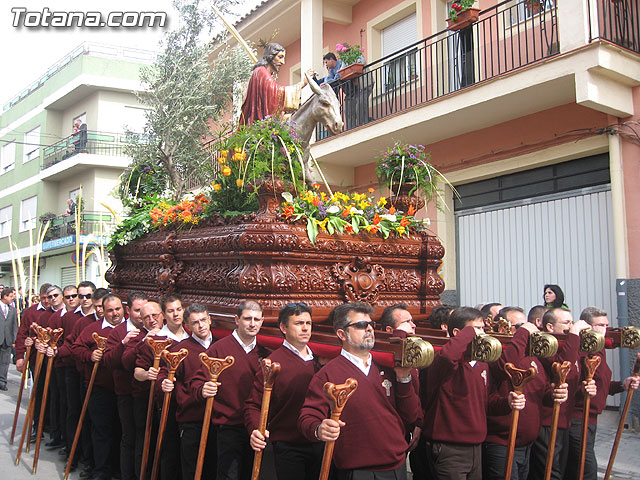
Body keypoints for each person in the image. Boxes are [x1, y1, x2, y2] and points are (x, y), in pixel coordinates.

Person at [299, 302, 421, 479]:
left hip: (396, 465)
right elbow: (307, 416)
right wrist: (319, 428)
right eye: (361, 325)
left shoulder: (388, 367)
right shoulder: (328, 374)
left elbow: (410, 416)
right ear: (342, 334)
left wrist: (404, 378)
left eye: (371, 324)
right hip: (357, 469)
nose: (369, 329)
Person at [422, 307, 521, 480]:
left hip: (476, 446)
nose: (482, 334)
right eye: (477, 329)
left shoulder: (482, 364)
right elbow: (448, 356)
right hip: (450, 448)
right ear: (458, 333)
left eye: (483, 328)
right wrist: (469, 333)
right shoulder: (442, 361)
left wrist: (507, 402)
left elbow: (488, 401)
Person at [191, 300, 268, 480]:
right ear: (236, 319)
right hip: (227, 427)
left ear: (262, 321)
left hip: (255, 429)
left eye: (257, 319)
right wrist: (203, 389)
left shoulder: (264, 354)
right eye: (247, 318)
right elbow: (196, 382)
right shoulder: (218, 349)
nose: (252, 324)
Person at [245, 302, 322, 480]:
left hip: (319, 441)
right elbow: (253, 404)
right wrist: (255, 429)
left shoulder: (320, 362)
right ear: (283, 327)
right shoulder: (272, 364)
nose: (305, 328)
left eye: (308, 323)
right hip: (289, 447)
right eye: (298, 323)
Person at [483, 318, 568, 480]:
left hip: (527, 443)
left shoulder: (533, 358)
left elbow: (540, 393)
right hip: (503, 442)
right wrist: (523, 332)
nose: (529, 332)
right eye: (521, 327)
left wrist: (554, 394)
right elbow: (505, 367)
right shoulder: (499, 357)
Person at [564, 307, 640, 480]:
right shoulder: (581, 350)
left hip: (592, 418)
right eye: (600, 325)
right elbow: (571, 382)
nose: (605, 329)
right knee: (587, 470)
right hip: (577, 418)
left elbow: (602, 384)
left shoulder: (600, 349)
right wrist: (583, 389)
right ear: (587, 326)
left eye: (606, 324)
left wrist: (622, 385)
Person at [529, 308, 595, 480]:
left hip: (564, 420)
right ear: (549, 327)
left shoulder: (568, 344)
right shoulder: (544, 346)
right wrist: (574, 334)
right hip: (547, 420)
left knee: (563, 470)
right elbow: (564, 366)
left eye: (572, 323)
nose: (571, 326)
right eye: (566, 323)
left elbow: (574, 378)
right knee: (551, 472)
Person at [160, 303, 217, 479]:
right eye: (195, 322)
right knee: (192, 468)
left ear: (209, 320)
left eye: (203, 320)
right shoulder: (180, 350)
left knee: (214, 468)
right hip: (191, 419)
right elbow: (164, 373)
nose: (200, 326)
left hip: (218, 420)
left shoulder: (220, 347)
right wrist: (163, 382)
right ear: (188, 326)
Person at [72, 293, 124, 480]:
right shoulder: (92, 329)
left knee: (122, 431)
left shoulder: (130, 328)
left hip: (125, 390)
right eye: (109, 310)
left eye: (117, 309)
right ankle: (101, 469)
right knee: (101, 430)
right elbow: (76, 348)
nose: (114, 313)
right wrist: (90, 356)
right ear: (102, 311)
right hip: (100, 388)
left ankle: (119, 468)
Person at [103, 292, 148, 480]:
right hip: (126, 394)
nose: (143, 316)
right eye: (138, 311)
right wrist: (123, 344)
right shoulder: (118, 332)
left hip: (147, 395)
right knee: (129, 438)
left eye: (145, 311)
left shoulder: (151, 330)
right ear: (128, 310)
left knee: (145, 439)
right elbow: (108, 361)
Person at [239, 42, 314, 126]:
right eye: (280, 57)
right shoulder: (261, 72)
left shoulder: (262, 72)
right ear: (270, 56)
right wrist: (302, 84)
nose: (283, 62)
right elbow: (275, 93)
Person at [0, 287, 18, 391]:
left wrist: (15, 339)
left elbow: (14, 326)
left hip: (7, 339)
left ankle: (2, 381)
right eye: (11, 296)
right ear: (5, 296)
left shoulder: (12, 310)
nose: (12, 298)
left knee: (5, 362)